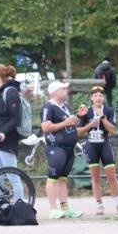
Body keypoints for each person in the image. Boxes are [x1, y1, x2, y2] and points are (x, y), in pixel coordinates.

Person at [40, 81, 84, 219]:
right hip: (56, 147)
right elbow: (46, 127)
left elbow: (70, 123)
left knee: (63, 179)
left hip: (69, 148)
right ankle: (53, 209)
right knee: (52, 177)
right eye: (63, 88)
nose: (66, 91)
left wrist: (79, 117)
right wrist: (65, 123)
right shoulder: (49, 107)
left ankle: (65, 208)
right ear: (55, 92)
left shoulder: (65, 106)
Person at [77, 85, 118, 215]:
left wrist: (103, 117)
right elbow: (79, 132)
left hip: (104, 144)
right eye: (95, 96)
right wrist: (90, 125)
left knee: (111, 176)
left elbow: (112, 130)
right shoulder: (86, 112)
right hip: (92, 145)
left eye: (100, 96)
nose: (98, 98)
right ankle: (99, 205)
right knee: (95, 177)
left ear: (104, 98)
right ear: (91, 98)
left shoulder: (109, 110)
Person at [0, 64, 24, 202]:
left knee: (12, 175)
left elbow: (15, 119)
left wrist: (3, 132)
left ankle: (20, 204)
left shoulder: (10, 92)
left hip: (7, 140)